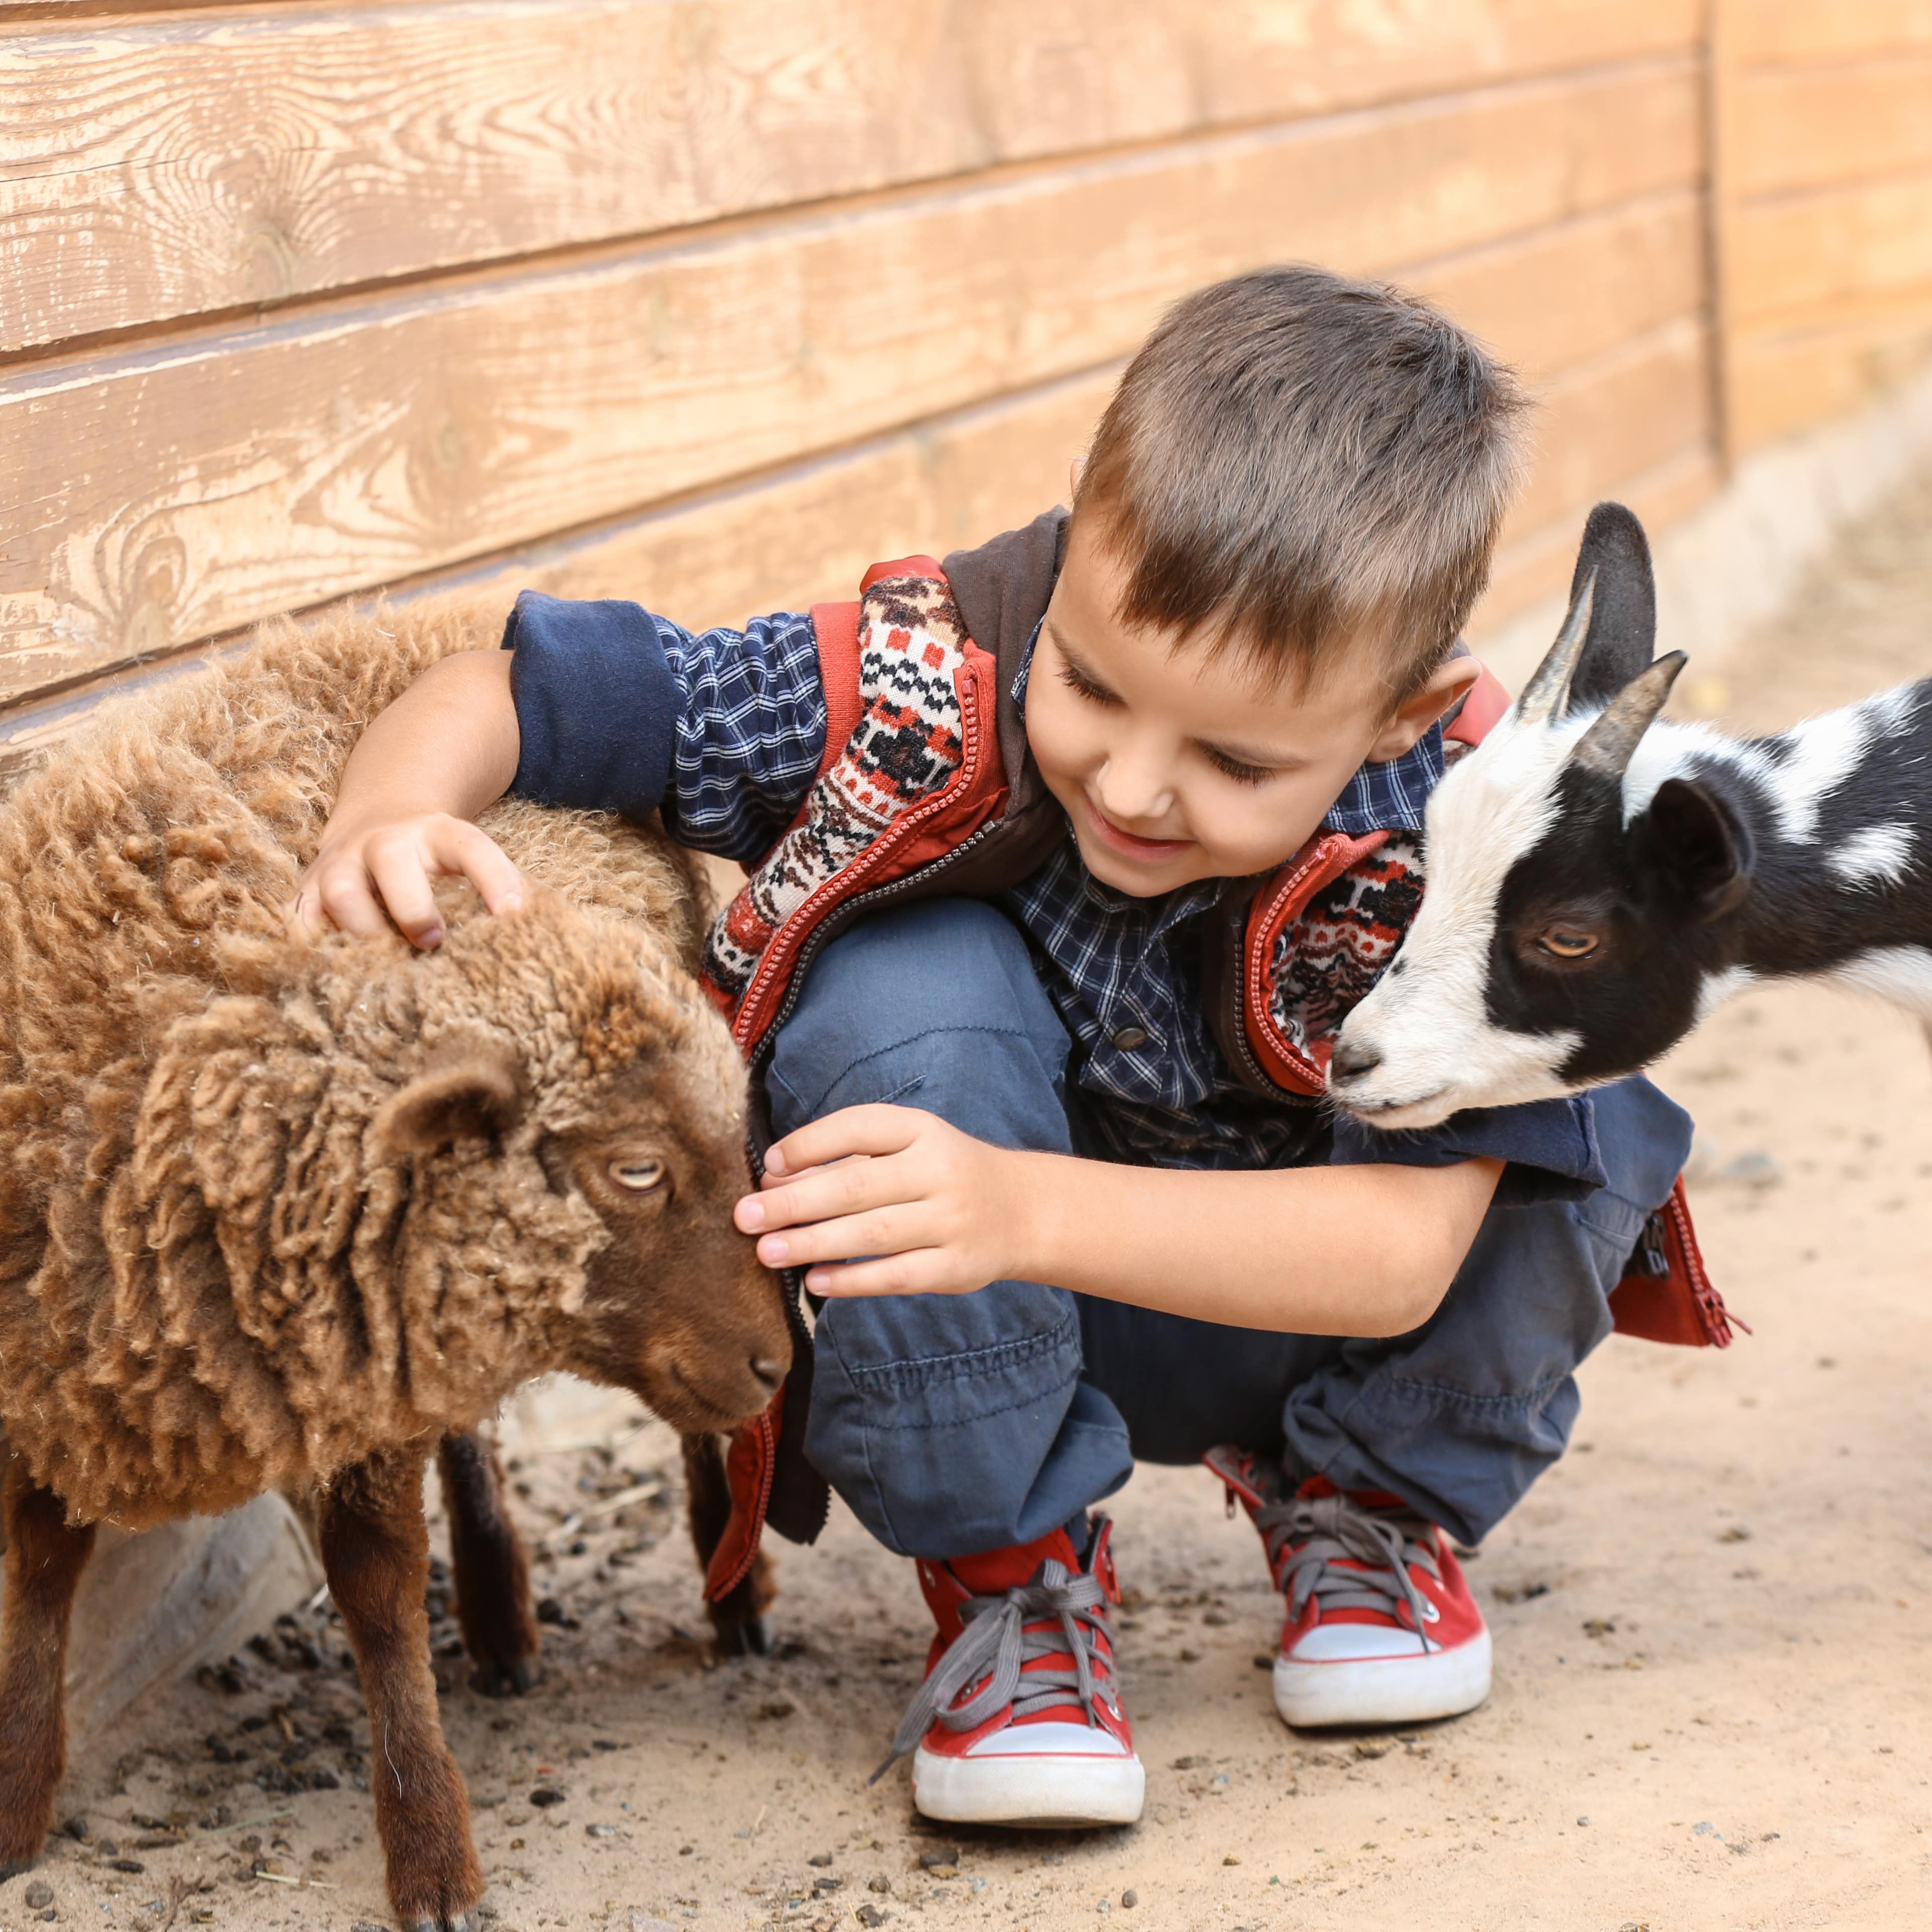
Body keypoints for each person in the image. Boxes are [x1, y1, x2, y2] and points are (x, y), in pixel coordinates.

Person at [293, 266, 1695, 1828]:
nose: (1137, 785)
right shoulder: (929, 683)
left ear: (1395, 719)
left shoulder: (1466, 833)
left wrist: (1025, 1207)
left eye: (1235, 758)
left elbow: (1398, 1261)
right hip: (990, 1313)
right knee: (897, 970)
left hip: (1297, 1298)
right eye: (1095, 684)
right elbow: (518, 691)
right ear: (1076, 546)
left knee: (1593, 1084)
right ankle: (1012, 1582)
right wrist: (389, 811)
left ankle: (1369, 1508)